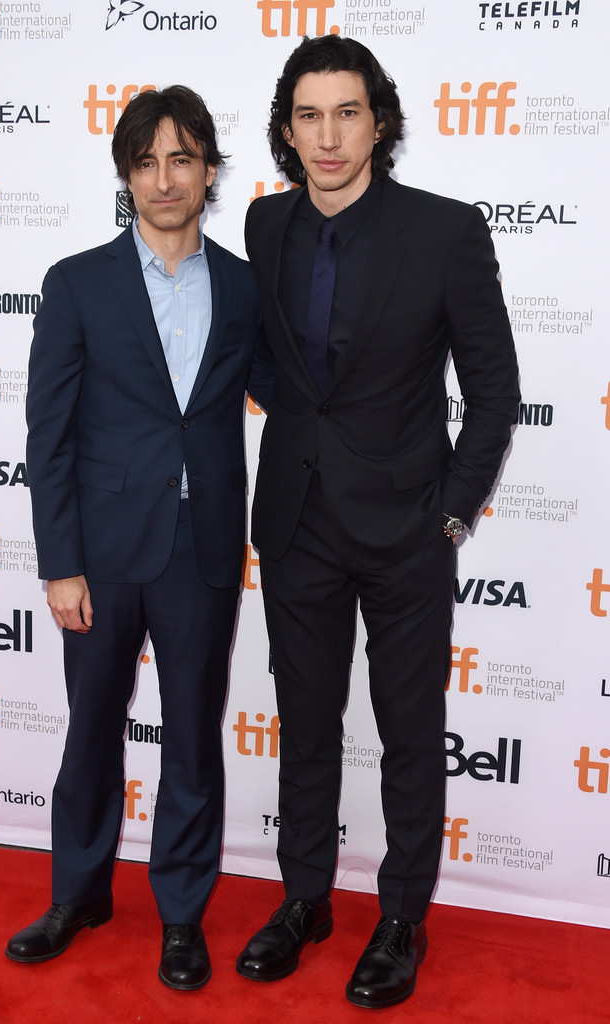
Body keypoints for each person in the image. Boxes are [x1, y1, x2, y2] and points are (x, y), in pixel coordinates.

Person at [235, 36, 520, 1008]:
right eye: (308, 116)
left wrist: (449, 515)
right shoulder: (265, 226)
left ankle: (402, 917)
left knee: (409, 730)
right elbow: (277, 367)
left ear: (380, 121)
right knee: (305, 728)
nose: (327, 135)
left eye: (346, 112)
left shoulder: (445, 232)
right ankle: (305, 898)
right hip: (298, 520)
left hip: (407, 528)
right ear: (286, 129)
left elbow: (494, 393)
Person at [6, 85, 271, 991]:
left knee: (194, 736)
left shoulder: (242, 284)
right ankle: (77, 893)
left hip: (203, 550)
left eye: (183, 159)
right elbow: (49, 434)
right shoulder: (77, 282)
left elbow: (286, 390)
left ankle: (182, 915)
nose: (166, 179)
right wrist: (60, 564)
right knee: (90, 732)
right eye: (148, 161)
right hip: (104, 554)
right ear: (128, 175)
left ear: (208, 173)